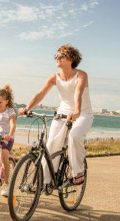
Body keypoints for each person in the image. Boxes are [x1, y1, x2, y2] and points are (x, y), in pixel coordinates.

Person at [19, 44, 93, 186]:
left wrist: (77, 111)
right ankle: (44, 182)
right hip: (62, 113)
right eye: (56, 56)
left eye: (61, 55)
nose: (57, 58)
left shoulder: (81, 75)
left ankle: (79, 172)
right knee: (52, 144)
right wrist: (27, 108)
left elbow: (78, 92)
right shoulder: (55, 77)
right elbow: (40, 94)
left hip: (82, 113)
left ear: (71, 58)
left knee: (74, 136)